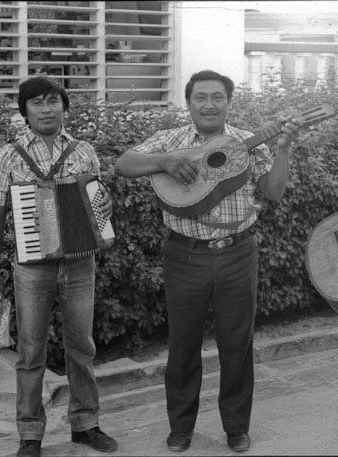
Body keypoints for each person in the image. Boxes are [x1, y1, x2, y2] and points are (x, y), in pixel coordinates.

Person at [115, 69, 302, 453]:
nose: (209, 104)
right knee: (182, 345)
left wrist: (283, 148)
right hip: (184, 255)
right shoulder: (173, 140)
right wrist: (165, 162)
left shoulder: (250, 143)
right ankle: (180, 428)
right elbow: (124, 163)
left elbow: (274, 192)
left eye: (217, 97)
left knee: (238, 345)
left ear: (229, 102)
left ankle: (236, 428)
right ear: (189, 103)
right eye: (200, 97)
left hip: (238, 253)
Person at [0, 76, 118, 457]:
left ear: (64, 106)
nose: (46, 109)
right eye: (37, 103)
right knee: (30, 352)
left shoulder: (83, 150)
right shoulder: (9, 155)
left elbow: (98, 203)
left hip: (79, 264)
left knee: (82, 346)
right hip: (31, 268)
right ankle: (30, 435)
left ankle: (86, 425)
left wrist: (105, 208)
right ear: (25, 111)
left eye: (52, 101)